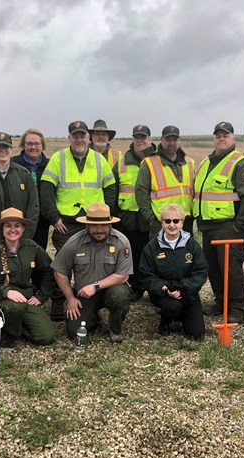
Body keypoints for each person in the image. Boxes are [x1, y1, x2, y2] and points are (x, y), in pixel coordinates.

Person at [40, 121, 117, 320]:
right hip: (66, 222)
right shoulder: (58, 158)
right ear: (69, 138)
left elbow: (110, 189)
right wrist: (54, 218)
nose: (79, 139)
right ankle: (59, 300)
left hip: (94, 220)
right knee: (62, 262)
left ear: (88, 138)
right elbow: (47, 189)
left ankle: (92, 299)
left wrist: (105, 216)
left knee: (92, 260)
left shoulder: (99, 159)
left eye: (82, 135)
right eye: (75, 136)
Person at [194, 121, 244, 324]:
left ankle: (238, 308)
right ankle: (221, 302)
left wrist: (239, 226)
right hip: (207, 226)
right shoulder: (206, 162)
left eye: (226, 135)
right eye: (218, 135)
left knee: (231, 269)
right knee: (213, 267)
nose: (221, 138)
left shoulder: (241, 163)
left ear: (233, 138)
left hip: (228, 226)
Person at [51, 203, 132, 343]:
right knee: (74, 332)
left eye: (104, 225)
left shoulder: (121, 241)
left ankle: (115, 328)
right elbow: (59, 271)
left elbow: (123, 275)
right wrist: (70, 299)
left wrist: (95, 286)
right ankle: (92, 318)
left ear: (110, 225)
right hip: (84, 293)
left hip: (111, 290)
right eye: (94, 225)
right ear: (87, 225)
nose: (99, 230)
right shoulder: (75, 242)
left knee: (121, 295)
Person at [0, 208, 55, 348]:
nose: (13, 230)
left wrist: (41, 296)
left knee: (46, 336)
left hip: (25, 299)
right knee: (14, 308)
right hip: (0, 300)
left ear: (23, 228)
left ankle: (14, 327)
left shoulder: (31, 247)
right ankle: (7, 333)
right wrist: (6, 292)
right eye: (8, 226)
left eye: (17, 225)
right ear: (2, 229)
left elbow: (49, 270)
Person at [138, 204, 208, 339]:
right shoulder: (152, 247)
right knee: (172, 307)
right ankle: (166, 321)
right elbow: (145, 274)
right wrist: (164, 288)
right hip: (164, 292)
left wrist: (184, 288)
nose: (172, 225)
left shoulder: (192, 244)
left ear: (182, 223)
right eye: (167, 221)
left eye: (176, 221)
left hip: (187, 291)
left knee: (196, 334)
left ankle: (182, 316)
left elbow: (201, 271)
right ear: (161, 223)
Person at [114, 124, 157, 302]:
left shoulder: (158, 159)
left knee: (154, 253)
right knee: (132, 253)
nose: (140, 141)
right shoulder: (122, 161)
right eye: (137, 137)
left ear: (150, 140)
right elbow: (113, 188)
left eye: (143, 137)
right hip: (129, 216)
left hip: (152, 215)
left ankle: (155, 288)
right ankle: (136, 286)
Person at [135, 125, 196, 237]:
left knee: (185, 254)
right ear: (161, 140)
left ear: (179, 141)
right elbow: (141, 193)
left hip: (185, 221)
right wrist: (151, 219)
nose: (171, 143)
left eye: (174, 140)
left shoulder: (190, 163)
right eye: (168, 140)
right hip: (161, 223)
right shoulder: (149, 163)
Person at [11, 128, 52, 250]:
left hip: (42, 220)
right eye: (29, 143)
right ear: (23, 145)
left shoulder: (50, 165)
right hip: (18, 218)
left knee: (38, 251)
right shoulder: (13, 164)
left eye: (36, 144)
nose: (33, 147)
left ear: (42, 146)